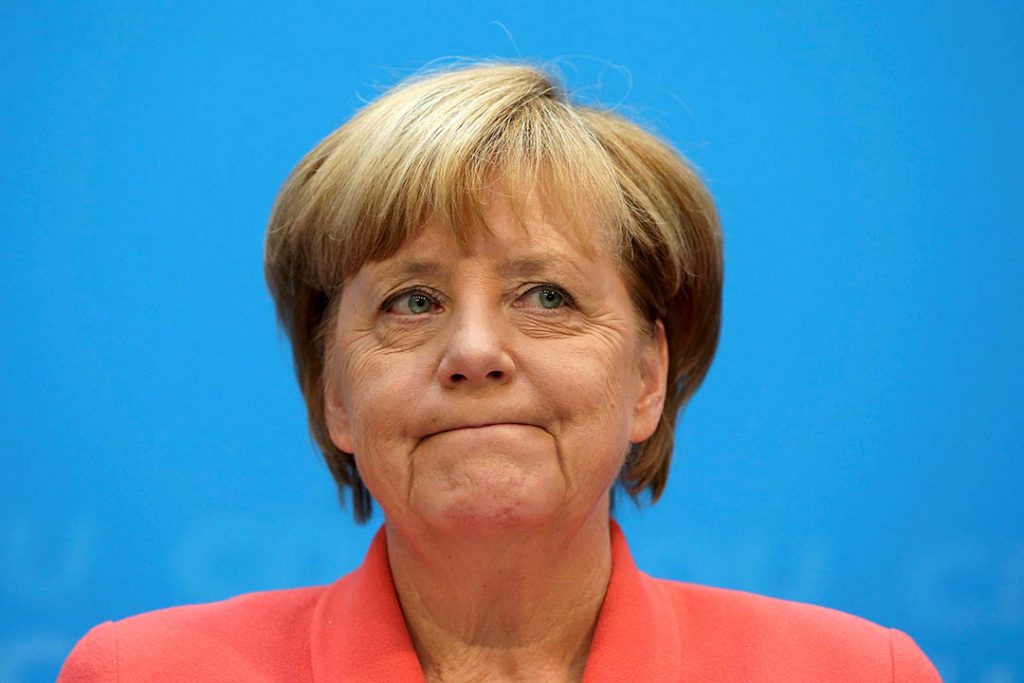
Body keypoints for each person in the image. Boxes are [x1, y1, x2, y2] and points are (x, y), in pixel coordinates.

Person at [58, 62, 941, 682]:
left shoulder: (864, 673)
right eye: (411, 301)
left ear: (645, 378)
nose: (474, 352)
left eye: (547, 294)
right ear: (335, 393)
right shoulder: (140, 672)